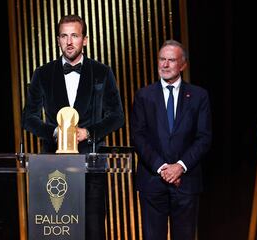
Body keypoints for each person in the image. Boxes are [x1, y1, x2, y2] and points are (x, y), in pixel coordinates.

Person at [22, 14, 124, 240]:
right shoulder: (43, 73)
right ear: (58, 40)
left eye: (75, 36)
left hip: (91, 166)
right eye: (64, 36)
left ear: (85, 40)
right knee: (57, 233)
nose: (69, 42)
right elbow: (28, 118)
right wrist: (56, 132)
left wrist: (88, 133)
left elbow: (117, 117)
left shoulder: (102, 72)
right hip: (52, 168)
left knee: (93, 231)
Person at [131, 40, 212, 240]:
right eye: (162, 60)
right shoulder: (144, 95)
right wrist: (161, 167)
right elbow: (138, 136)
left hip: (186, 181)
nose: (165, 65)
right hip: (152, 181)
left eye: (171, 60)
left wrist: (180, 166)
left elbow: (204, 137)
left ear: (183, 65)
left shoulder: (199, 96)